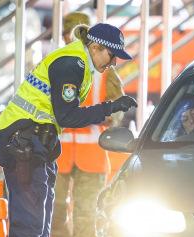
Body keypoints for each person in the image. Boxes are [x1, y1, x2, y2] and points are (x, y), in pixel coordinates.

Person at [0, 22, 137, 237]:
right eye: (111, 54)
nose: (114, 62)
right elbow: (67, 115)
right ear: (96, 47)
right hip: (23, 141)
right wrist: (110, 107)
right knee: (30, 225)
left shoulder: (80, 63)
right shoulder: (72, 64)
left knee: (40, 222)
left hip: (34, 141)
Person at [51, 12, 125, 237]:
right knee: (54, 213)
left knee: (86, 215)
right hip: (58, 153)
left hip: (89, 155)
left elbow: (118, 109)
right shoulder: (56, 63)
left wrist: (109, 116)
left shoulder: (104, 71)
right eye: (67, 35)